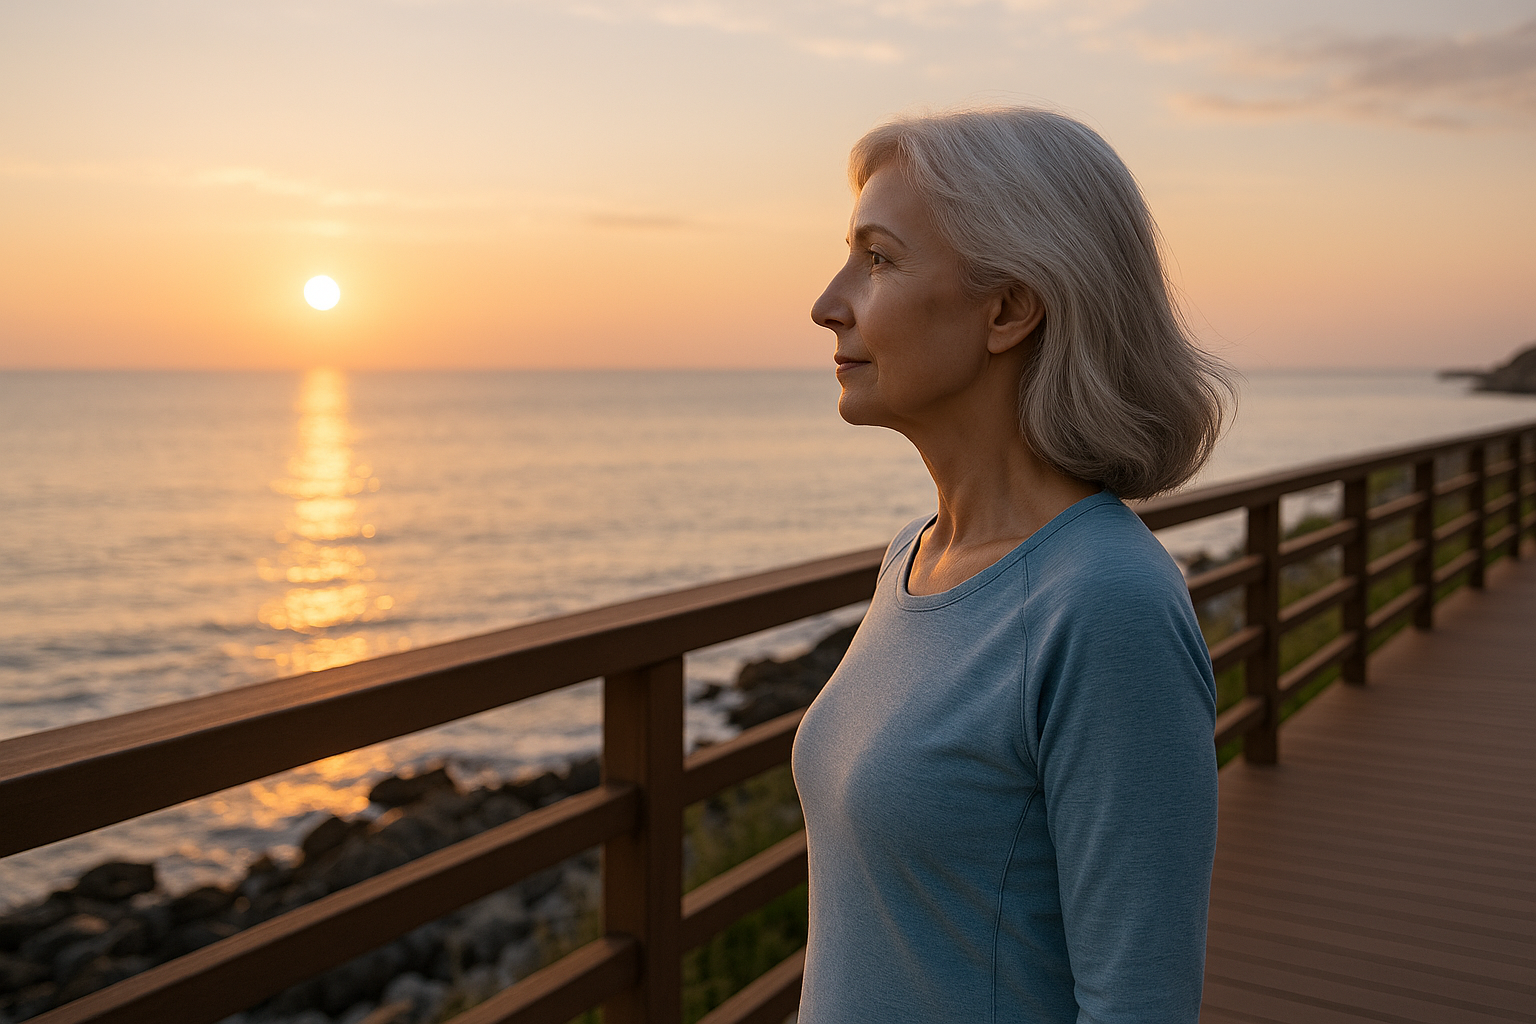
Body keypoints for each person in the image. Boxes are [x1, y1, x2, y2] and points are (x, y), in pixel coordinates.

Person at [791, 106, 1233, 1024]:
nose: (829, 303)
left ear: (1009, 309)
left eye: (877, 259)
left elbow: (1138, 1005)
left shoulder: (1106, 604)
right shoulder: (913, 559)